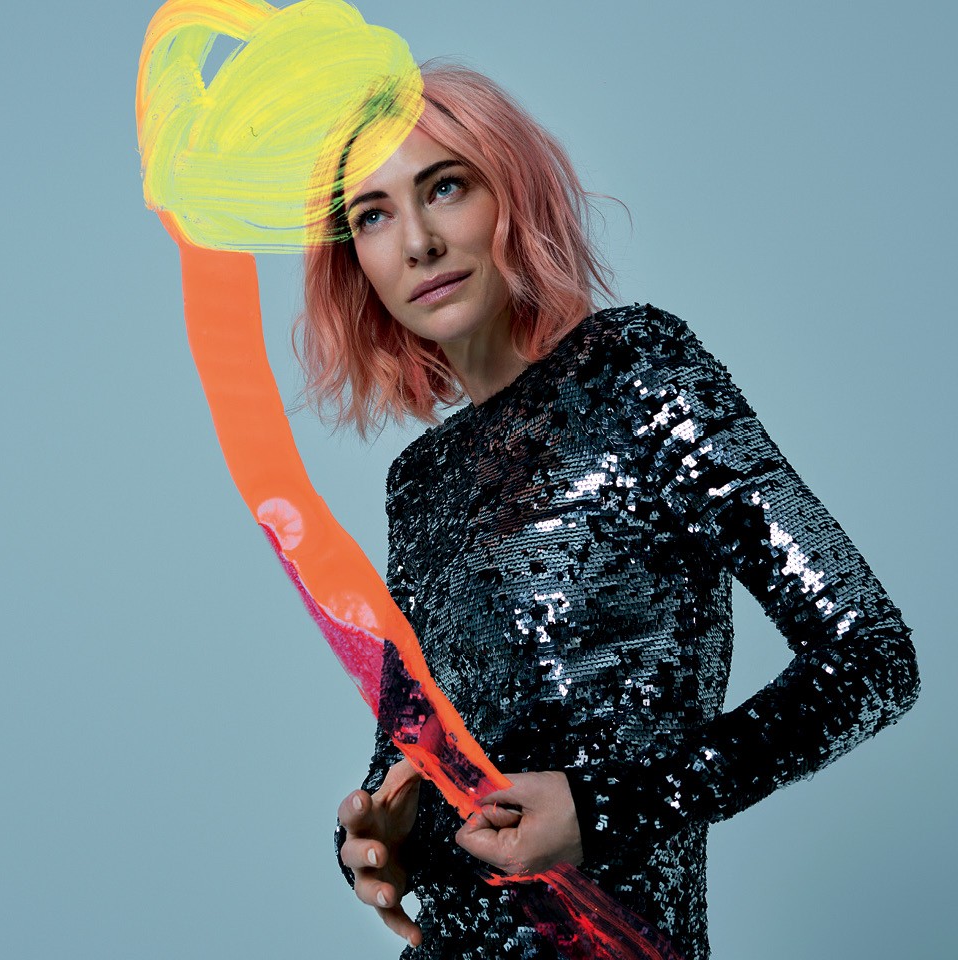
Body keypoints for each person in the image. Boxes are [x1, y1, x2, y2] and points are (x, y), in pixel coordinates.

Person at [294, 63, 920, 960]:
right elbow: (410, 752)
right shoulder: (419, 480)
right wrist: (372, 839)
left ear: (510, 192)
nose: (419, 243)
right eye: (374, 215)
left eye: (445, 187)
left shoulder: (634, 372)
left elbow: (872, 658)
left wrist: (603, 809)